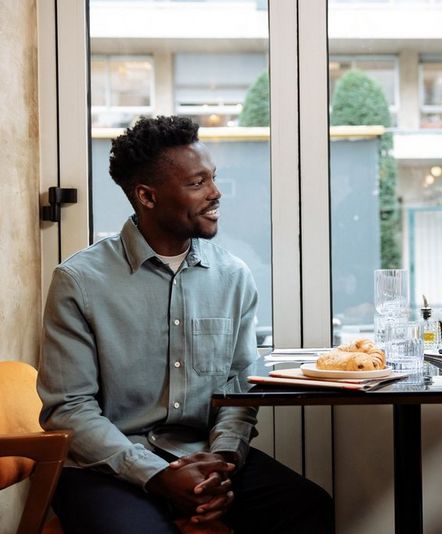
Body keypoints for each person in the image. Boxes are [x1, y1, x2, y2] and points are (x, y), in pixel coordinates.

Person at [38, 115, 334, 533]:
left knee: (308, 507)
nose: (215, 194)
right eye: (197, 184)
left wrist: (224, 462)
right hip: (106, 468)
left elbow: (238, 388)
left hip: (204, 457)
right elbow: (68, 409)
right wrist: (156, 476)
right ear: (147, 196)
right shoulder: (79, 282)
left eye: (212, 179)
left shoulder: (233, 277)